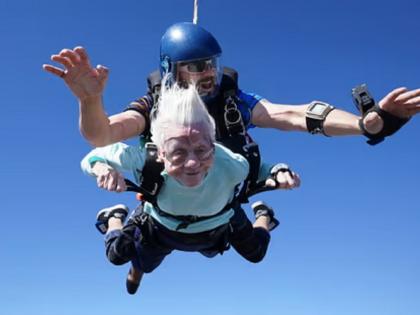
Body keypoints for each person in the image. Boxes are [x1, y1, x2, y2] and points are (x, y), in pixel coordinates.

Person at [43, 22, 420, 149]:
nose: (207, 74)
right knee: (148, 246)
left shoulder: (232, 101)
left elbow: (292, 114)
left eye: (211, 64)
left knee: (244, 245)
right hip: (166, 199)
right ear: (171, 71)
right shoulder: (153, 105)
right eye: (194, 67)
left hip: (220, 199)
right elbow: (103, 135)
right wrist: (90, 102)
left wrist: (365, 124)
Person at [81, 82, 301, 295]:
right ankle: (115, 218)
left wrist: (279, 171)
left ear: (214, 148)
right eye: (179, 153)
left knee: (256, 253)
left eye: (202, 150)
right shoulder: (143, 159)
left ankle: (264, 216)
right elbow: (93, 156)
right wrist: (102, 168)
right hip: (161, 226)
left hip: (217, 225)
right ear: (161, 153)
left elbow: (258, 167)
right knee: (117, 255)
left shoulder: (232, 163)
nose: (193, 164)